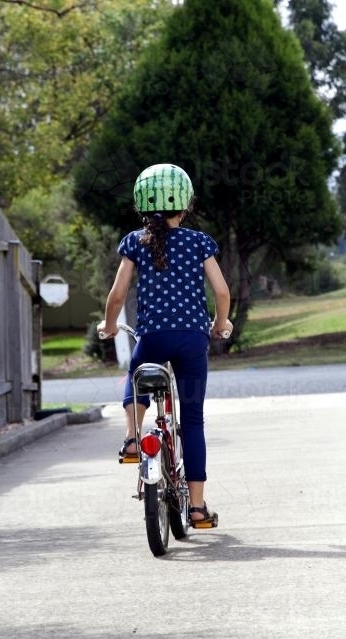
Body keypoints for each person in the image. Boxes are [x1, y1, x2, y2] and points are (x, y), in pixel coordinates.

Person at [97, 163, 231, 529]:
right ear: (185, 204)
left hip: (153, 338)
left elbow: (118, 294)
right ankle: (199, 508)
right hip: (192, 341)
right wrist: (220, 323)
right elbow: (221, 291)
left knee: (137, 374)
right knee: (191, 421)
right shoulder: (199, 242)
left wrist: (110, 326)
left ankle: (130, 440)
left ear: (141, 205)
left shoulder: (135, 242)